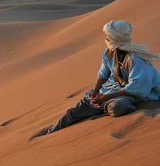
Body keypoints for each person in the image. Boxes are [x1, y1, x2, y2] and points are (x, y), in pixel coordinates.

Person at [32, 20, 160, 139]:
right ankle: (51, 132)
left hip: (137, 94)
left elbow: (137, 88)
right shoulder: (108, 53)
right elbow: (103, 75)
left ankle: (104, 106)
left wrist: (104, 98)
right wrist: (95, 93)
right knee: (73, 113)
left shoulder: (136, 59)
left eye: (108, 36)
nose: (106, 39)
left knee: (119, 107)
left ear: (114, 38)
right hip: (113, 90)